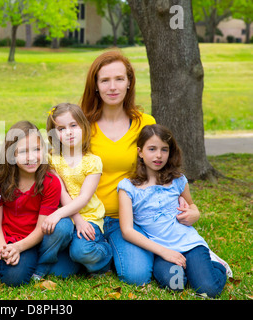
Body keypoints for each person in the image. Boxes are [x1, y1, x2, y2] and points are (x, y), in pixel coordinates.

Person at [80, 50, 199, 285]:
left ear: (129, 83)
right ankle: (100, 254)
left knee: (136, 276)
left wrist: (193, 209)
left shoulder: (146, 123)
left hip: (132, 221)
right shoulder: (82, 125)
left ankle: (115, 252)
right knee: (67, 266)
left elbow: (164, 173)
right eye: (105, 80)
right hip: (88, 219)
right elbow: (63, 171)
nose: (112, 87)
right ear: (95, 85)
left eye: (119, 79)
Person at [117, 124, 230, 297]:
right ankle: (193, 270)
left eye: (164, 149)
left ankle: (217, 266)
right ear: (140, 152)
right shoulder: (128, 187)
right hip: (161, 249)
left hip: (189, 243)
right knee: (175, 284)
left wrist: (195, 213)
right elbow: (127, 230)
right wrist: (164, 252)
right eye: (152, 149)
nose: (158, 155)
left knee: (208, 289)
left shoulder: (177, 180)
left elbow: (191, 206)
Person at [0, 121, 64, 286]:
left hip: (27, 242)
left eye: (37, 149)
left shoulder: (50, 182)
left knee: (13, 280)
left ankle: (18, 264)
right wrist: (2, 248)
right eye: (23, 151)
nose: (31, 157)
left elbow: (40, 229)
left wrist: (18, 248)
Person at [34, 103, 112, 278]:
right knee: (59, 272)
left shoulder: (92, 161)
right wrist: (73, 219)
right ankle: (49, 265)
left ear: (83, 126)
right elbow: (61, 192)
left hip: (89, 217)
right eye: (61, 129)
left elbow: (84, 198)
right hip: (65, 216)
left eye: (73, 125)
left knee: (81, 251)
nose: (68, 132)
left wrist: (77, 219)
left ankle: (105, 257)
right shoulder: (53, 160)